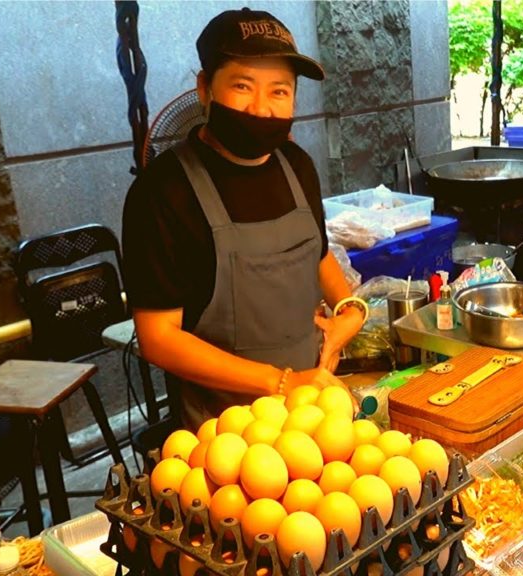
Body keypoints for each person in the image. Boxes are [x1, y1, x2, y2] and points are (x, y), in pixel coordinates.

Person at [121, 8, 364, 429]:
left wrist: (349, 310)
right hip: (225, 433)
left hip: (314, 411)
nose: (261, 109)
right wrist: (280, 383)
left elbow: (317, 253)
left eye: (279, 92)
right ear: (204, 88)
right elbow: (158, 337)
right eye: (242, 86)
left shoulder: (297, 165)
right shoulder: (162, 191)